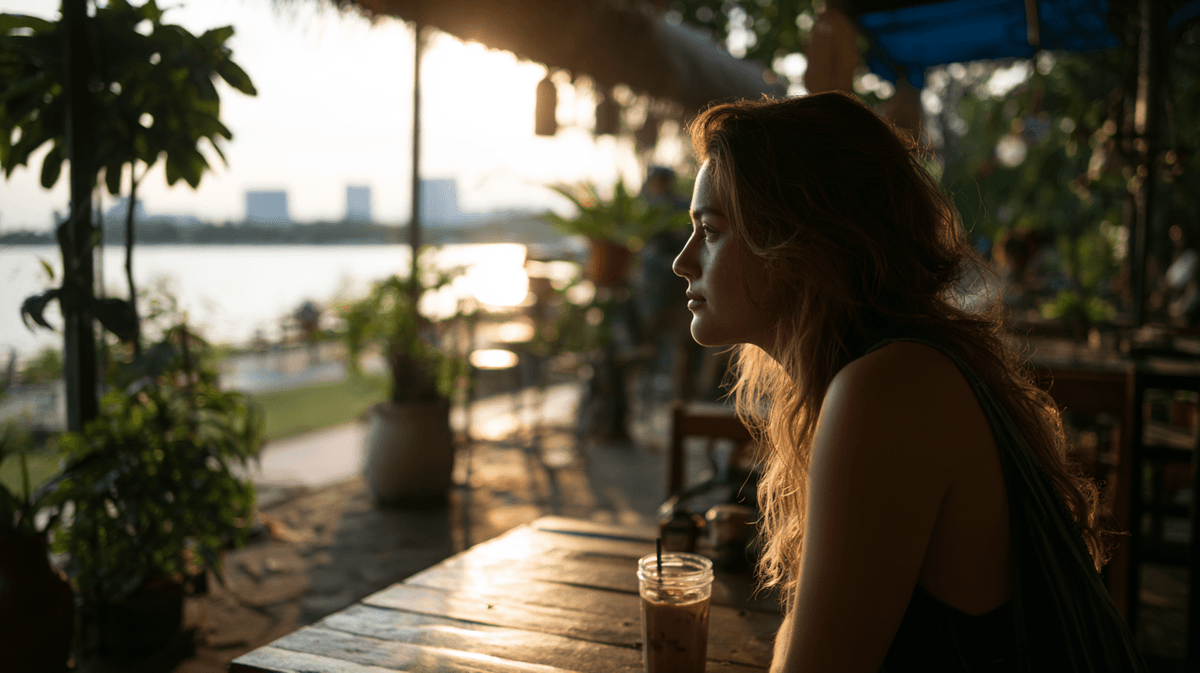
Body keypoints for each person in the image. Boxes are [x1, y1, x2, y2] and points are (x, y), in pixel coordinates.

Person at [672, 92, 1146, 672]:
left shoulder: (887, 393)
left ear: (797, 242)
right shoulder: (887, 372)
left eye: (711, 230)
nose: (683, 260)